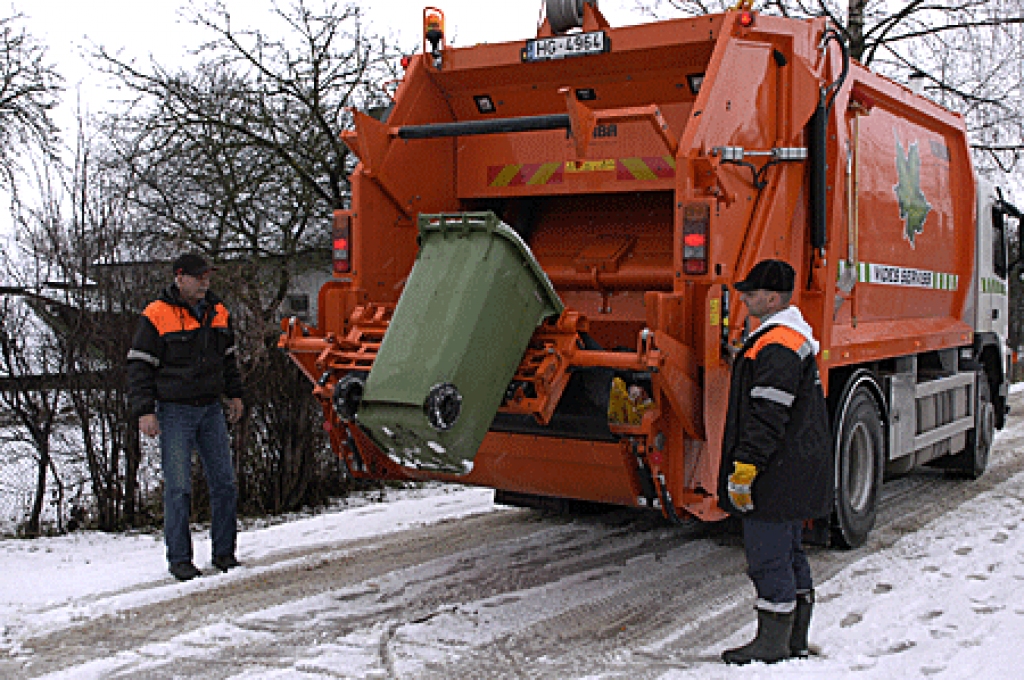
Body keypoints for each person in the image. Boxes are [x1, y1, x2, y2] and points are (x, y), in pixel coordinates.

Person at [718, 259, 834, 664]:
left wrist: (746, 466)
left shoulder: (778, 345)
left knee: (768, 555)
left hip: (775, 471)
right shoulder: (784, 338)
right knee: (790, 551)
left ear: (772, 298)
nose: (745, 300)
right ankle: (794, 639)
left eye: (751, 294)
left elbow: (768, 413)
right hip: (792, 467)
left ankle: (771, 645)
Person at [127, 253, 245, 581]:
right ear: (180, 278)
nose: (205, 283)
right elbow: (139, 366)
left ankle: (224, 554)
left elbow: (229, 359)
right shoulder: (156, 314)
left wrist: (235, 394)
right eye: (198, 277)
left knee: (224, 484)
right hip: (175, 410)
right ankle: (180, 560)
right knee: (178, 488)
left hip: (210, 409)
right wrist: (144, 410)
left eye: (208, 277)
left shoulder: (219, 311)